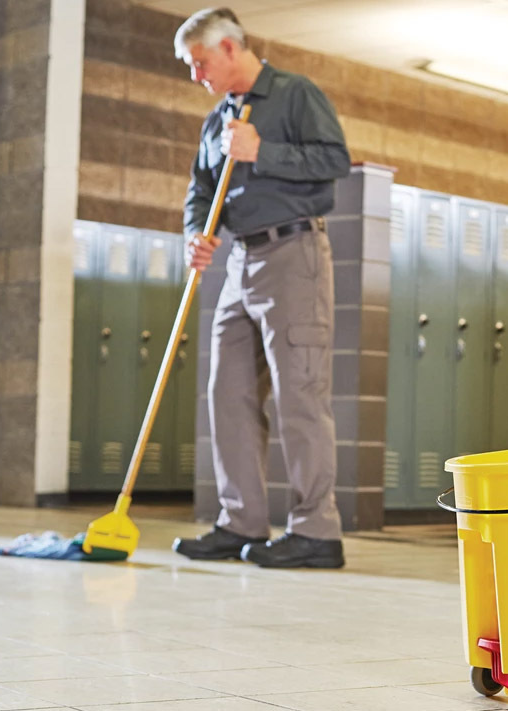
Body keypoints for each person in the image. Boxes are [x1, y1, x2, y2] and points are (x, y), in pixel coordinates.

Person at [169, 7, 351, 569]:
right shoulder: (214, 120)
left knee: (301, 394)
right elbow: (201, 190)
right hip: (239, 261)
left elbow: (334, 162)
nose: (195, 76)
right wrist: (197, 233)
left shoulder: (295, 95)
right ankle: (240, 520)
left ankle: (317, 531)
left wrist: (261, 152)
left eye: (198, 63)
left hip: (293, 254)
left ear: (228, 49)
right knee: (228, 393)